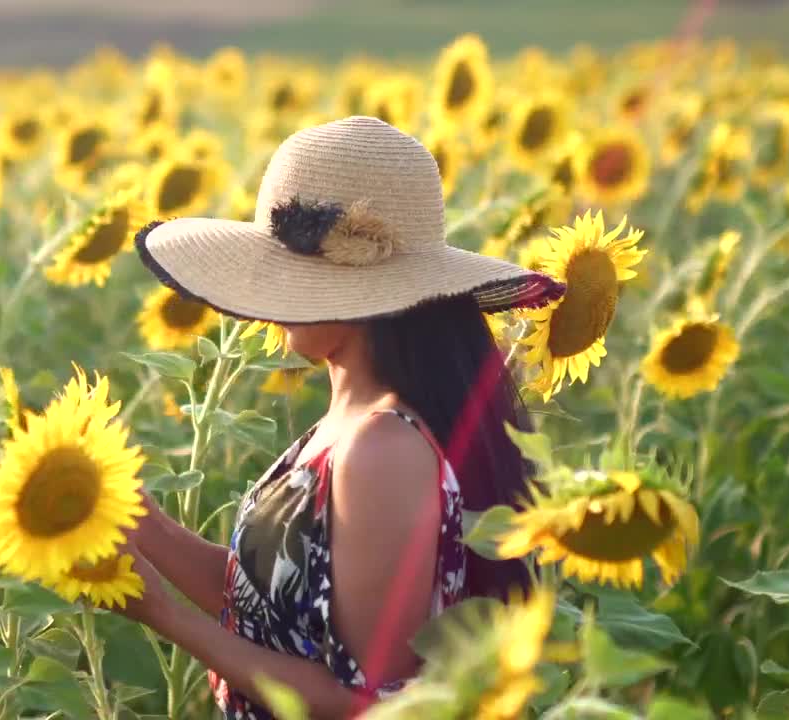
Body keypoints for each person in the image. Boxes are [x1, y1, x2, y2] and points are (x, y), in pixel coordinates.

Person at [117, 116, 565, 719]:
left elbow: (365, 702)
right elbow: (273, 605)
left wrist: (163, 615)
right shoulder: (353, 416)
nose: (271, 295)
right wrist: (143, 524)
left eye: (293, 272)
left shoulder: (384, 447)